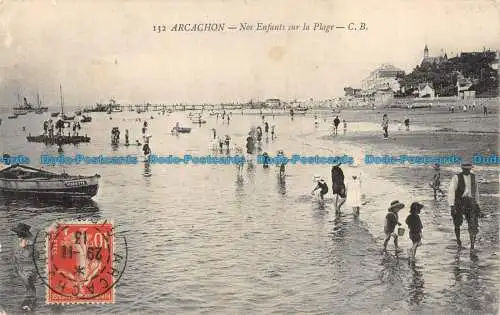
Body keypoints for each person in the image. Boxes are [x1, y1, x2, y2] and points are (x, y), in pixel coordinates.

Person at [448, 162, 482, 249]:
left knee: (473, 223)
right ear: (462, 169)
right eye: (465, 169)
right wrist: (452, 206)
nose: (467, 171)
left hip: (471, 202)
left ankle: (472, 244)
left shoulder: (474, 177)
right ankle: (458, 240)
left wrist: (477, 204)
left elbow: (476, 192)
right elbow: (451, 191)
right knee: (457, 222)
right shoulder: (456, 177)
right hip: (459, 202)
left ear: (470, 169)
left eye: (468, 169)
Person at [12, 223, 37, 311]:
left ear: (22, 233)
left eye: (18, 233)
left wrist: (23, 249)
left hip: (27, 268)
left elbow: (32, 254)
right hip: (25, 267)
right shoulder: (26, 240)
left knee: (29, 286)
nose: (17, 234)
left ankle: (29, 304)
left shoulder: (27, 242)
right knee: (29, 286)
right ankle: (31, 303)